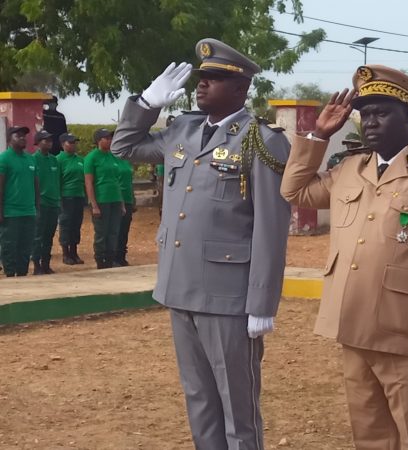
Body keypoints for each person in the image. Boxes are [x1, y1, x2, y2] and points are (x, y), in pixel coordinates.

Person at [281, 64, 408, 450]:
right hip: (353, 328)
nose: (370, 122)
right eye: (365, 114)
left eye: (382, 113)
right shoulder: (350, 169)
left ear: (407, 115)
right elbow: (295, 192)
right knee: (370, 436)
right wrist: (318, 136)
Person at [111, 38, 290, 449]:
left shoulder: (260, 139)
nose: (201, 85)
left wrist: (262, 303)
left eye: (214, 79)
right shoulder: (183, 130)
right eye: (201, 78)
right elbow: (125, 147)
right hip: (181, 287)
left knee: (237, 407)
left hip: (229, 296)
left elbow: (270, 226)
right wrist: (145, 103)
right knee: (199, 400)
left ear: (241, 89)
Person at [0, 126, 39, 277]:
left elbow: (36, 185)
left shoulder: (30, 158)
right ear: (10, 139)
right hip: (11, 212)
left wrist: (37, 208)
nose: (23, 138)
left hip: (29, 211)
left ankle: (22, 275)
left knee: (26, 247)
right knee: (10, 247)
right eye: (18, 135)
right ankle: (10, 275)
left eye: (24, 135)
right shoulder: (4, 158)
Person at [84, 128, 124, 268]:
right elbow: (88, 182)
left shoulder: (113, 156)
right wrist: (93, 204)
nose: (109, 140)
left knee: (113, 232)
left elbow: (117, 180)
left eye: (110, 138)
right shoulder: (92, 157)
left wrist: (122, 203)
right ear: (98, 141)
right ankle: (100, 261)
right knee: (102, 232)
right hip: (101, 200)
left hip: (115, 200)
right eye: (106, 138)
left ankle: (110, 259)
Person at [31, 130, 60, 274]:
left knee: (49, 235)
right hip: (41, 204)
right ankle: (36, 265)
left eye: (50, 140)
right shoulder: (33, 159)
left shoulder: (54, 159)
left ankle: (46, 264)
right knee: (38, 235)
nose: (49, 142)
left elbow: (57, 181)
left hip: (54, 203)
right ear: (37, 142)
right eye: (45, 140)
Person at [57, 133, 86, 264]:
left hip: (79, 195)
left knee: (76, 224)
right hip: (65, 196)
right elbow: (57, 180)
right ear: (63, 144)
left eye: (75, 142)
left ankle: (74, 252)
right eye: (70, 142)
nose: (73, 145)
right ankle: (65, 253)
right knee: (65, 224)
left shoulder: (80, 159)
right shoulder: (58, 160)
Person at [115, 156, 135, 266]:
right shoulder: (112, 161)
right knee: (116, 229)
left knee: (124, 230)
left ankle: (122, 255)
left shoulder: (126, 161)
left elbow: (130, 182)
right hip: (117, 198)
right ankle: (114, 256)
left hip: (128, 199)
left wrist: (133, 199)